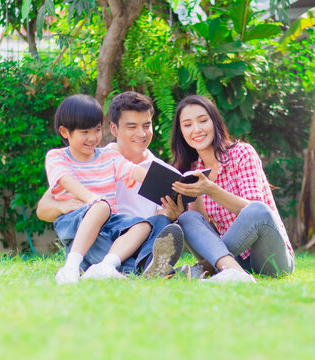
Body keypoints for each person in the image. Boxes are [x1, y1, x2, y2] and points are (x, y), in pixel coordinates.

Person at [37, 91, 185, 280]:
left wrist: (172, 185)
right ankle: (72, 267)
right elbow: (64, 181)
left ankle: (108, 267)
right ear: (65, 132)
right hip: (82, 224)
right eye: (85, 132)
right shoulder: (58, 156)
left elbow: (134, 171)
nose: (92, 138)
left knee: (144, 224)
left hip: (114, 227)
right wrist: (89, 199)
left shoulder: (110, 158)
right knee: (101, 206)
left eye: (96, 130)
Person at [168, 95, 295, 282]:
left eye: (203, 121)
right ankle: (236, 273)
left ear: (215, 122)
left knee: (257, 210)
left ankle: (202, 269)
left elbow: (257, 214)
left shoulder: (242, 153)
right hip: (233, 258)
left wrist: (210, 189)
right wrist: (179, 211)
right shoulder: (193, 170)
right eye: (187, 125)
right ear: (181, 132)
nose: (196, 129)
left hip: (271, 258)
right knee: (187, 218)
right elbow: (201, 226)